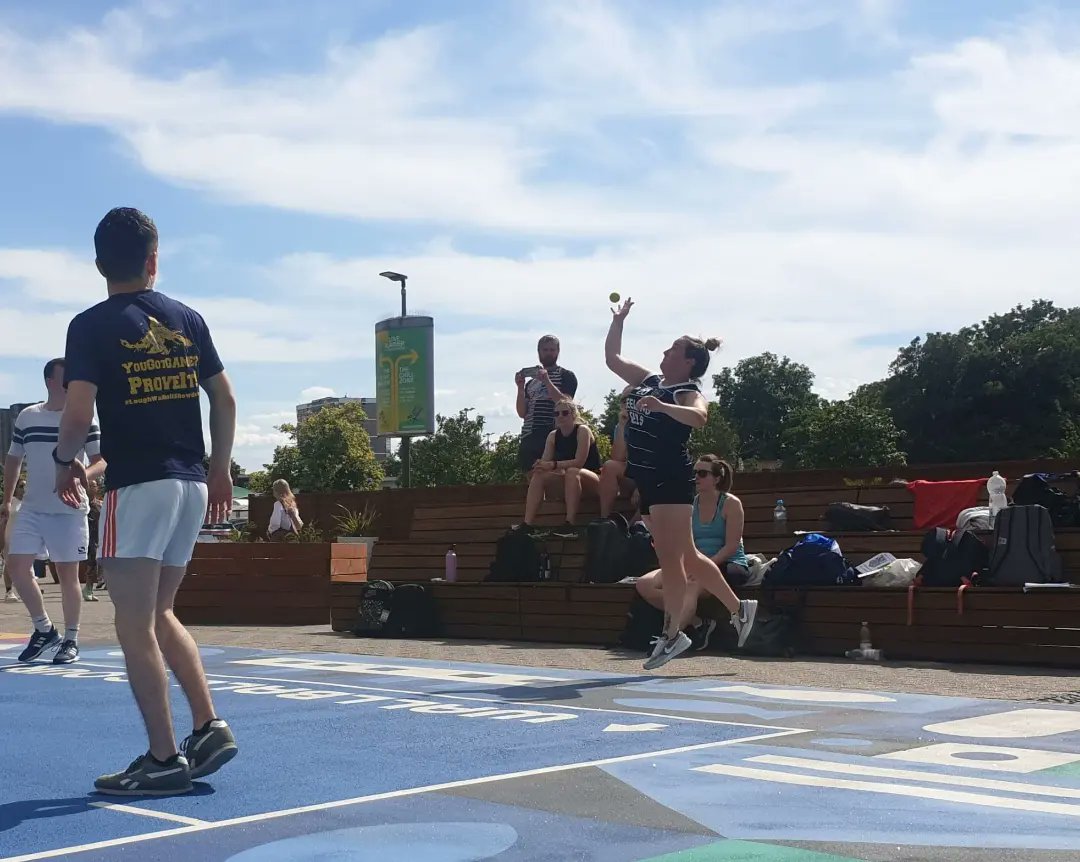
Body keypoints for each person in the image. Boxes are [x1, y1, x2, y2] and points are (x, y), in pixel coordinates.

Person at [54, 206, 238, 797]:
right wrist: (220, 470)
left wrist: (64, 462)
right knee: (159, 612)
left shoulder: (90, 326)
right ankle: (208, 728)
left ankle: (163, 759)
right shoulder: (188, 319)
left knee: (131, 622)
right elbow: (225, 399)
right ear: (154, 260)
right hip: (189, 484)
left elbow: (79, 412)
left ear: (100, 263)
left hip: (138, 485)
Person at [604, 297, 756, 670]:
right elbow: (612, 359)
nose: (664, 351)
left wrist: (663, 407)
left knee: (672, 558)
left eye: (672, 348)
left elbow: (700, 418)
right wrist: (619, 321)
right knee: (685, 556)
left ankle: (673, 635)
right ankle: (738, 610)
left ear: (688, 360)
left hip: (670, 477)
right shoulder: (650, 381)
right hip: (650, 479)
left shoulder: (685, 391)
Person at [0, 359, 106, 665]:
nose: (72, 382)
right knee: (18, 567)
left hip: (69, 510)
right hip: (32, 507)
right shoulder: (27, 416)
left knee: (68, 576)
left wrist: (80, 474)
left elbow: (101, 461)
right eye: (65, 378)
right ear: (49, 381)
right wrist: (7, 500)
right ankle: (44, 630)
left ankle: (71, 639)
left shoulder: (84, 417)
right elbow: (13, 459)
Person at [635, 455, 751, 651]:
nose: (696, 477)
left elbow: (731, 546)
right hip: (693, 561)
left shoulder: (731, 503)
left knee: (690, 586)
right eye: (694, 473)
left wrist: (702, 567)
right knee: (644, 583)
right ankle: (698, 622)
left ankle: (670, 639)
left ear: (717, 479)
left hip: (726, 563)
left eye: (702, 473)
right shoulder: (689, 504)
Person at [522, 399, 601, 531]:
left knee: (572, 471)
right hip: (570, 481)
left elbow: (579, 462)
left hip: (593, 479)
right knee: (539, 474)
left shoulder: (582, 431)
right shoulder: (553, 436)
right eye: (556, 414)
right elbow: (546, 462)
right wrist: (540, 465)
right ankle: (527, 524)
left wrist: (553, 465)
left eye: (565, 413)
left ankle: (569, 523)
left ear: (574, 415)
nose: (560, 416)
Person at [515, 336, 579, 474]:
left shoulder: (566, 375)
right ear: (539, 352)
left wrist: (547, 381)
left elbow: (566, 404)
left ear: (558, 352)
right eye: (545, 350)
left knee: (554, 476)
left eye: (552, 350)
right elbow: (522, 412)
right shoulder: (531, 383)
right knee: (532, 475)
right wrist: (520, 388)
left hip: (554, 432)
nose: (549, 353)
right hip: (530, 434)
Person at [598, 386, 638, 519]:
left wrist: (641, 488)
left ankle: (633, 529)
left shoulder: (653, 422)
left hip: (653, 476)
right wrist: (622, 425)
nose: (627, 403)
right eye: (624, 400)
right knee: (609, 466)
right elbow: (617, 458)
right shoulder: (620, 426)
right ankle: (605, 520)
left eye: (631, 398)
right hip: (632, 473)